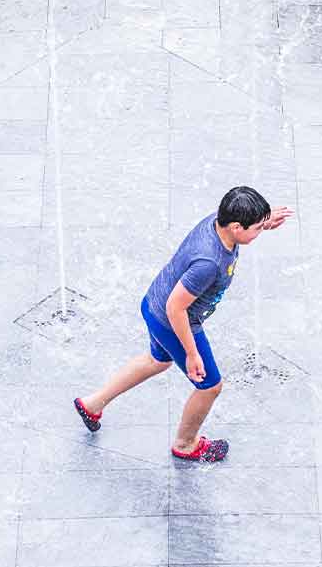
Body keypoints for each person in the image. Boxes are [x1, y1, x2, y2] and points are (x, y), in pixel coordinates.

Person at [74, 186, 293, 462]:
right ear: (236, 226)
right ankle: (186, 444)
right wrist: (191, 353)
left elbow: (242, 220)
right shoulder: (208, 263)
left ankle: (92, 404)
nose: (261, 231)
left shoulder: (220, 221)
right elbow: (176, 307)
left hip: (153, 305)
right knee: (210, 386)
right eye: (258, 228)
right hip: (172, 319)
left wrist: (263, 219)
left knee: (158, 361)